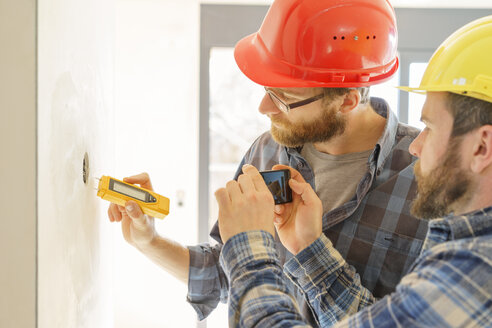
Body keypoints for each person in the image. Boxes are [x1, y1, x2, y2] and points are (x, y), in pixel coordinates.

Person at [107, 0, 427, 324]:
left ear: (347, 100)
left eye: (282, 98)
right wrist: (149, 241)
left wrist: (309, 249)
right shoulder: (268, 150)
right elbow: (230, 272)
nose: (263, 107)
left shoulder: (428, 177)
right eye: (266, 89)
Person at [216, 15, 492, 327]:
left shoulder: (476, 271)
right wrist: (309, 248)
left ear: (482, 146)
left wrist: (249, 248)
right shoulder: (462, 252)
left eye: (430, 126)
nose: (417, 146)